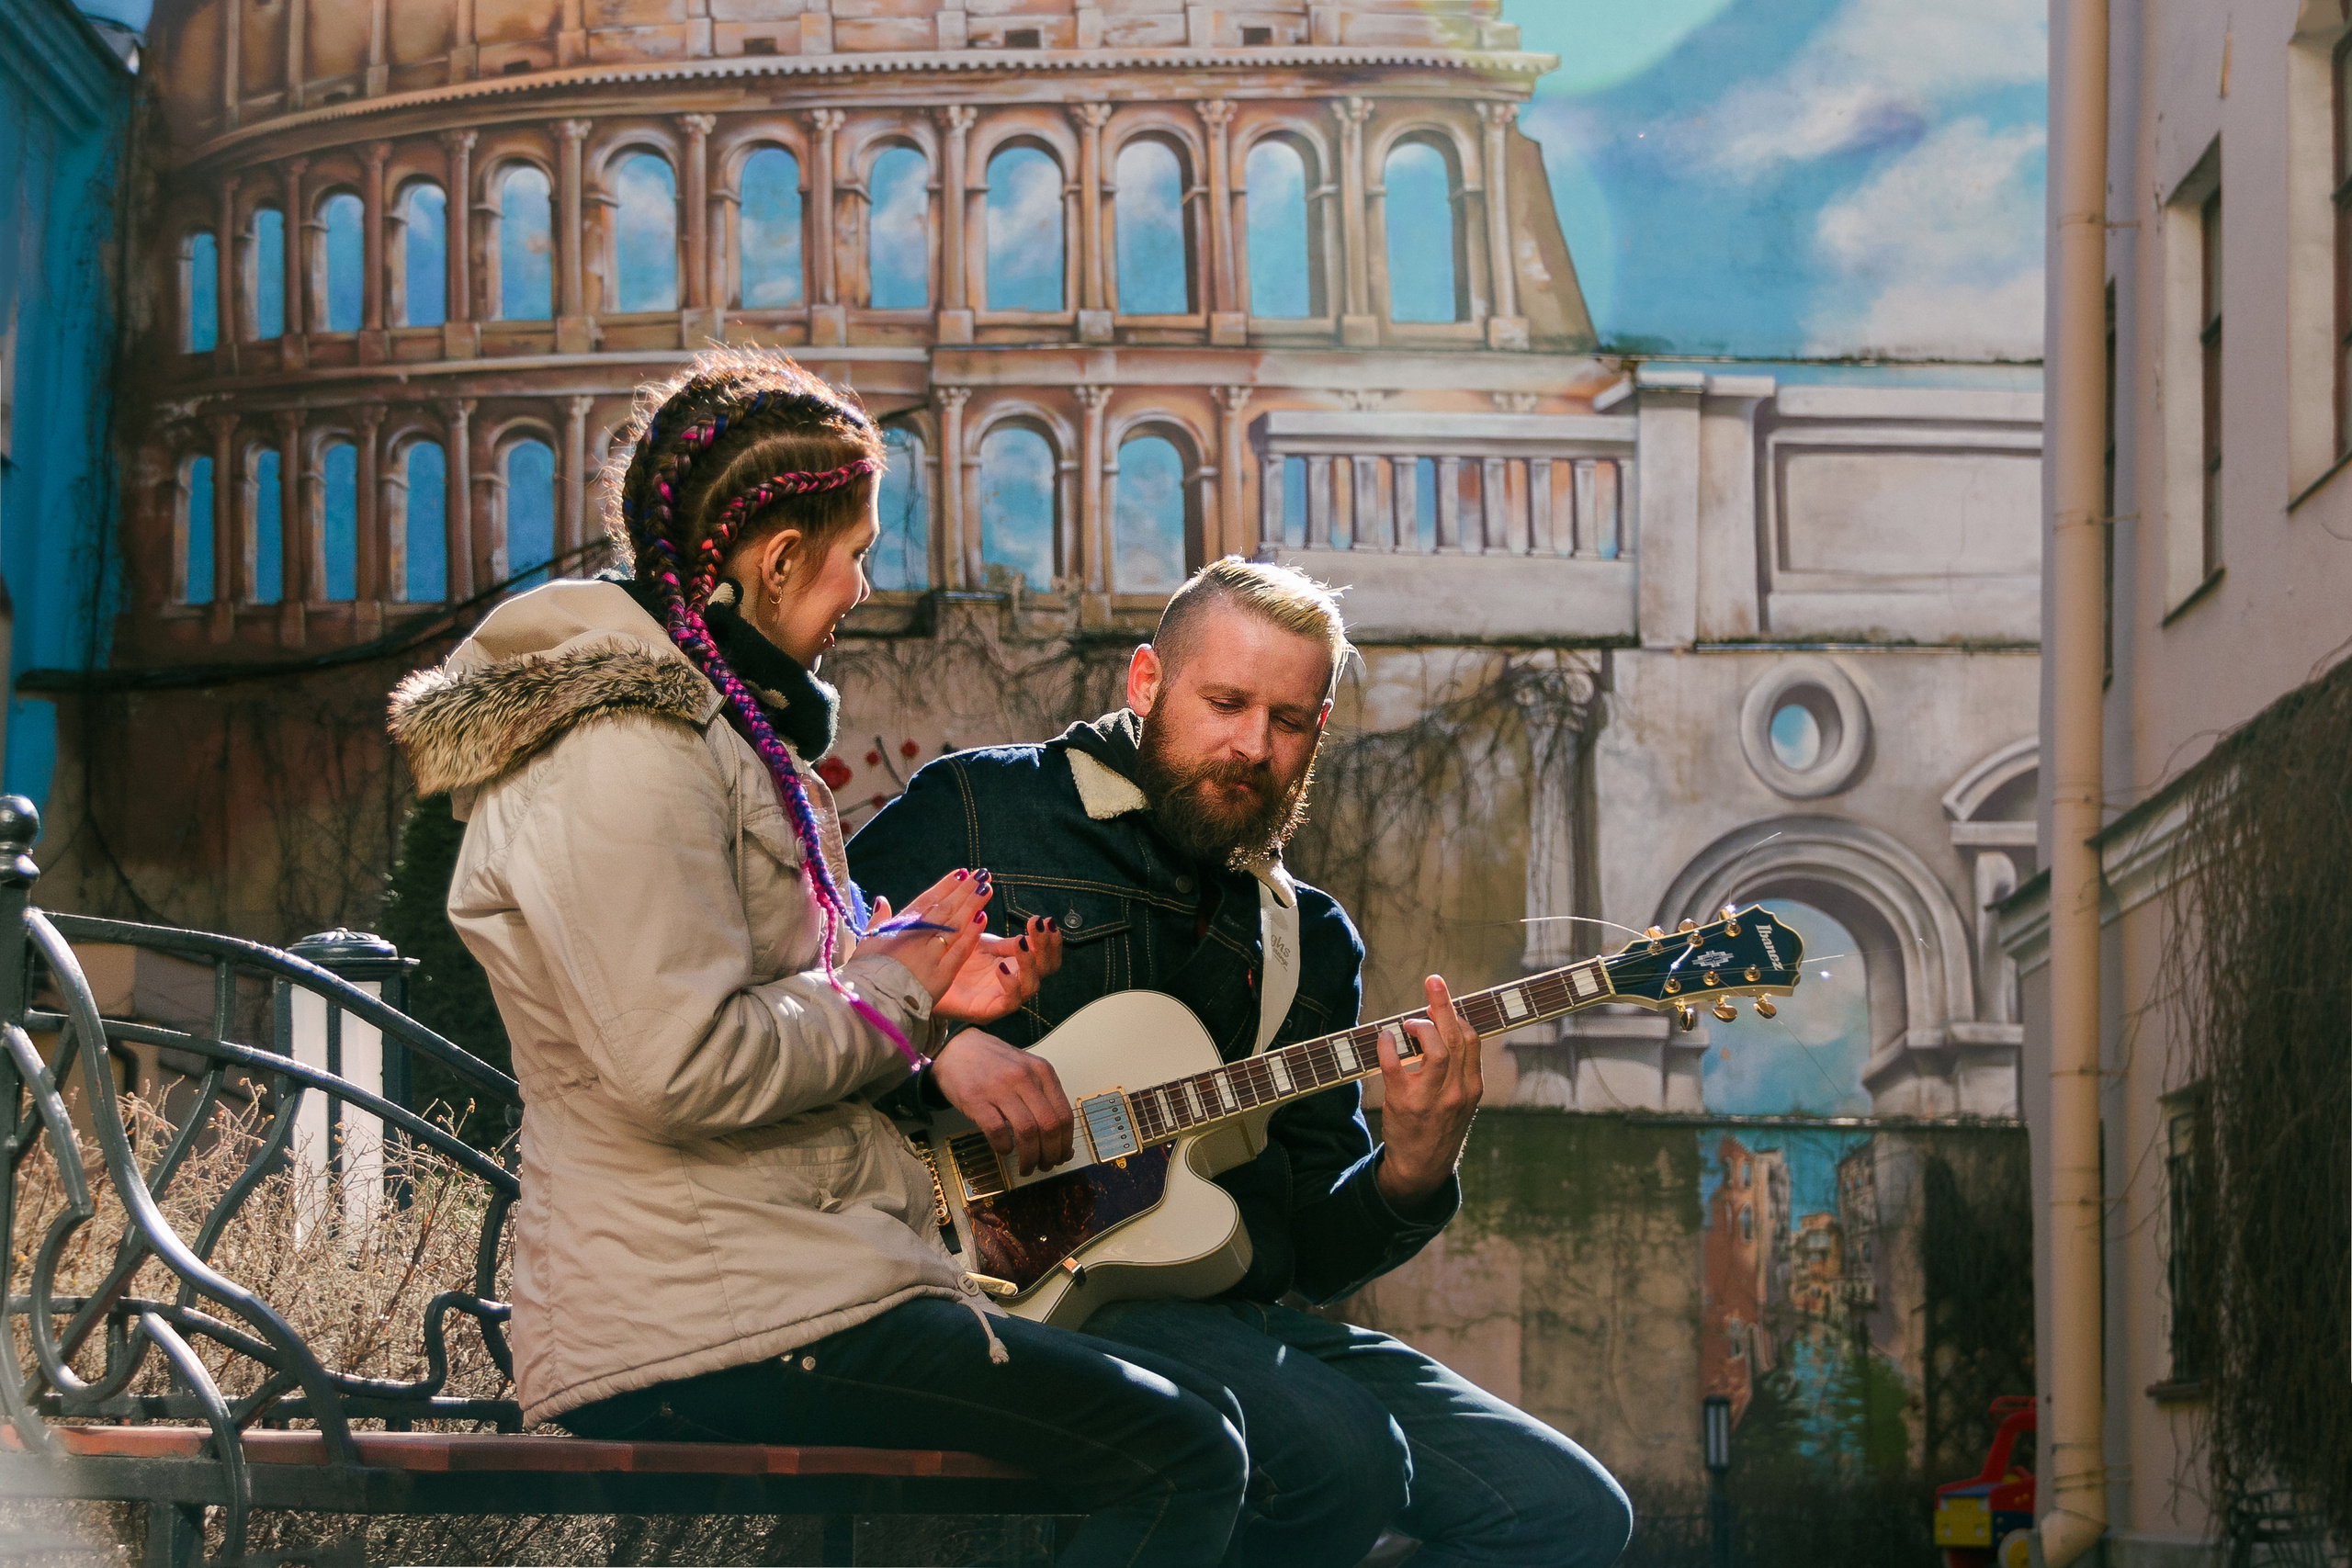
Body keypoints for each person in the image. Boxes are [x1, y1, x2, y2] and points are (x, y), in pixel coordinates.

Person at [387, 349, 1249, 1567]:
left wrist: (935, 998)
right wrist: (898, 978)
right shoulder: (628, 748)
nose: (862, 582)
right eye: (854, 549)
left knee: (1190, 1431)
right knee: (1184, 1453)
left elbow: (786, 1000)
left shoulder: (720, 734)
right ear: (777, 557)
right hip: (705, 1316)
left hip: (763, 1284)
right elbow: (678, 1062)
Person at [849, 557, 1634, 1568]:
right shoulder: (983, 809)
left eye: (1291, 720)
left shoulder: (1306, 936)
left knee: (1563, 1512)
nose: (1253, 746)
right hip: (995, 1288)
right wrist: (937, 1046)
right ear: (1145, 684)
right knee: (1340, 1458)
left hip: (1220, 1311)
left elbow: (1303, 1247)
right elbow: (798, 969)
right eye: (1225, 703)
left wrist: (1411, 1170)